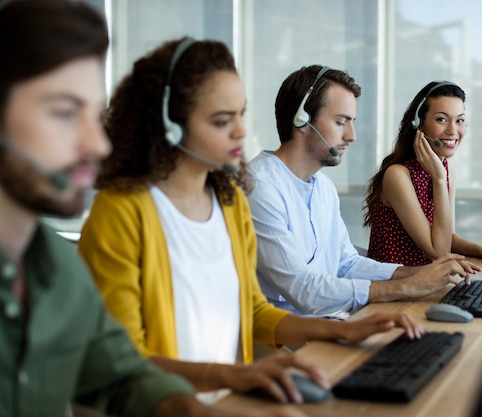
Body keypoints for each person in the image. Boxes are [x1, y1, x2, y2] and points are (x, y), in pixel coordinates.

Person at [78, 38, 423, 406]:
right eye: (223, 120)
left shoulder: (229, 203)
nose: (241, 132)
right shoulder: (120, 214)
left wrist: (347, 329)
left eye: (241, 114)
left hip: (227, 400)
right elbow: (121, 363)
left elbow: (254, 311)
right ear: (168, 124)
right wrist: (232, 375)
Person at [0, 1, 295, 417]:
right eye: (65, 111)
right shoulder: (120, 213)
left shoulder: (51, 265)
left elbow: (121, 373)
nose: (98, 144)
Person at [246, 65, 480, 319]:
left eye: (352, 122)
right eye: (340, 122)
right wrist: (405, 286)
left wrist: (421, 274)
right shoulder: (259, 187)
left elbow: (347, 263)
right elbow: (302, 290)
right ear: (301, 119)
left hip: (336, 318)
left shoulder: (322, 187)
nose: (352, 135)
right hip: (290, 337)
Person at [363, 81, 482, 266]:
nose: (452, 130)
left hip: (428, 282)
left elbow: (446, 236)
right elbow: (439, 252)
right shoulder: (398, 175)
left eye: (459, 120)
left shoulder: (448, 164)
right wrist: (439, 178)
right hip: (396, 288)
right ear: (419, 123)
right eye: (441, 119)